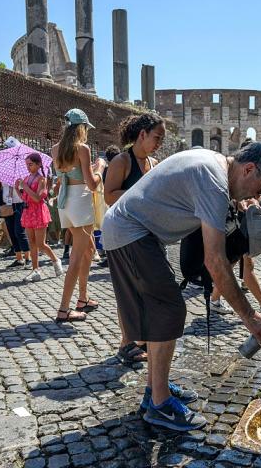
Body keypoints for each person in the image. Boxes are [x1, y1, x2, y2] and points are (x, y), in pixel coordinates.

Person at [102, 143, 261, 431]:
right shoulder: (213, 182)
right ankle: (159, 405)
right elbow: (215, 261)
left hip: (136, 231)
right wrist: (251, 317)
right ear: (249, 169)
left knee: (164, 310)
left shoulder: (212, 163)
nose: (257, 197)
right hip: (130, 232)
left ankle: (155, 390)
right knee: (169, 309)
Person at [103, 113, 165, 363]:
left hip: (147, 231)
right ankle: (126, 343)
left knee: (148, 287)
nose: (159, 142)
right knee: (129, 290)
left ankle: (143, 338)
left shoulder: (154, 162)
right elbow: (108, 196)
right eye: (156, 137)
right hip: (123, 233)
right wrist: (139, 193)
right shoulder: (121, 161)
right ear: (142, 134)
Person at [51, 109, 105, 322]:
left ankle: (83, 298)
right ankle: (64, 309)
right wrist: (99, 168)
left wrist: (88, 170)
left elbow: (69, 173)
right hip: (81, 202)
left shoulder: (55, 149)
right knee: (75, 258)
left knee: (89, 248)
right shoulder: (82, 149)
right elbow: (91, 184)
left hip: (65, 203)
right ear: (81, 128)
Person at [16, 152, 62, 281]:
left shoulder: (42, 179)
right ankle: (35, 270)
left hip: (38, 212)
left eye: (30, 164)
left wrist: (24, 187)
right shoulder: (26, 178)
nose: (28, 167)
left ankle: (55, 260)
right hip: (28, 212)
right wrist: (17, 189)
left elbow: (37, 198)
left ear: (38, 164)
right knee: (32, 243)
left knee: (40, 244)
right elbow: (25, 198)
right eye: (26, 165)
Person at [0, 181, 31, 268]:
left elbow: (25, 188)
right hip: (7, 204)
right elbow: (1, 189)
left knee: (19, 231)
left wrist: (16, 185)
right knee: (11, 232)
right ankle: (19, 259)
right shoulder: (3, 175)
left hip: (19, 204)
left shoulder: (20, 175)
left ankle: (28, 258)